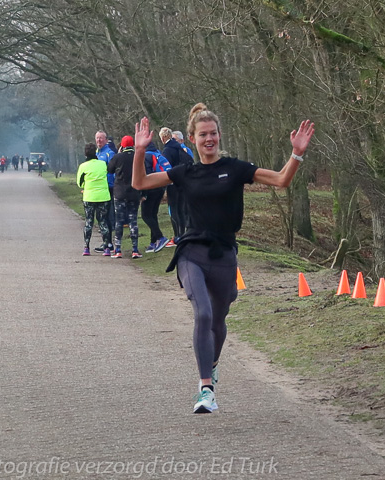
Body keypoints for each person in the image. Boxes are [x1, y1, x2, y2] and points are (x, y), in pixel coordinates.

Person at [132, 104, 314, 413]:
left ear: (219, 135)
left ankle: (212, 363)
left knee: (218, 318)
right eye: (203, 134)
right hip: (192, 251)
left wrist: (296, 154)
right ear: (192, 138)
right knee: (202, 313)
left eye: (213, 133)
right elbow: (140, 183)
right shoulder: (184, 172)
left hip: (224, 253)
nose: (209, 139)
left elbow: (282, 180)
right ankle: (206, 389)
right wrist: (139, 151)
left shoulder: (236, 168)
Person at [107, 135, 142, 259]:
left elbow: (109, 170)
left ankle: (118, 250)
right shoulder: (138, 157)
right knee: (133, 221)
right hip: (134, 192)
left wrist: (118, 154)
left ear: (122, 145)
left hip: (119, 193)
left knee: (119, 221)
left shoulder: (117, 157)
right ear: (133, 145)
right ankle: (135, 250)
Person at [160, 126, 193, 246]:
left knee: (173, 210)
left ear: (163, 137)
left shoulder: (167, 150)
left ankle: (177, 237)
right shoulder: (179, 147)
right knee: (181, 210)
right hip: (183, 182)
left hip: (173, 183)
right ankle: (183, 235)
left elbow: (166, 168)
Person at [77, 143, 111, 256]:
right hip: (103, 197)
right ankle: (106, 248)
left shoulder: (83, 166)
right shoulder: (103, 164)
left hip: (89, 197)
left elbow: (79, 183)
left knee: (89, 222)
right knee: (103, 222)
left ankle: (86, 247)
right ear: (95, 152)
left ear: (85, 153)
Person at [141, 140, 170, 253]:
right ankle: (153, 242)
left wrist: (143, 193)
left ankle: (160, 237)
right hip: (160, 187)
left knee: (145, 215)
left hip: (150, 189)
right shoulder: (157, 154)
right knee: (153, 215)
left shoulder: (145, 156)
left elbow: (145, 176)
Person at [95, 130, 116, 252]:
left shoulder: (109, 153)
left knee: (107, 216)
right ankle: (106, 242)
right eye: (97, 138)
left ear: (105, 139)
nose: (99, 140)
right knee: (100, 217)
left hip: (108, 188)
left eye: (101, 138)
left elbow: (113, 171)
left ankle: (109, 243)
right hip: (98, 188)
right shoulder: (96, 153)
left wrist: (112, 185)